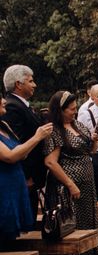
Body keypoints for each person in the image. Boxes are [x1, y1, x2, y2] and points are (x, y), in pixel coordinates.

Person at [43, 91, 98, 255]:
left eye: (76, 108)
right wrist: (70, 184)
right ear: (59, 110)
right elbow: (51, 162)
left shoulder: (78, 125)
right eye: (71, 109)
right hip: (68, 185)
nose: (75, 112)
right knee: (69, 224)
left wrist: (93, 140)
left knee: (86, 220)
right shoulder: (54, 131)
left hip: (86, 181)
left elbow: (90, 151)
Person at [0, 93, 53, 240]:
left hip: (16, 184)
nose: (4, 101)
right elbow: (10, 156)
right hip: (3, 188)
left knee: (15, 236)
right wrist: (37, 137)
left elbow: (21, 152)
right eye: (0, 98)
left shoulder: (4, 125)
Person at [2, 65, 46, 216]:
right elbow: (16, 144)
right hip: (26, 178)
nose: (35, 85)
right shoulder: (12, 107)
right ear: (18, 84)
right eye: (31, 81)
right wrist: (27, 176)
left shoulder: (22, 105)